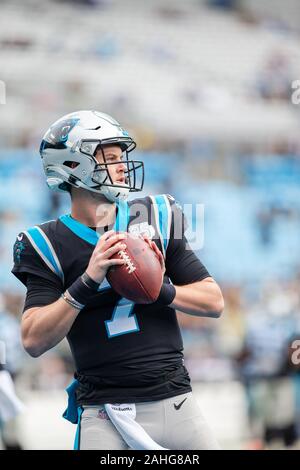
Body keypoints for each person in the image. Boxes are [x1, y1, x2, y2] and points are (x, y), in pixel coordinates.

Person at [12, 110, 224, 450]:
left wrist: (160, 290)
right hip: (104, 413)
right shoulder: (45, 242)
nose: (123, 165)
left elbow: (214, 302)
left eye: (121, 156)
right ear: (72, 166)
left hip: (176, 402)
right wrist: (86, 281)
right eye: (109, 158)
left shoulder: (154, 214)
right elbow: (33, 340)